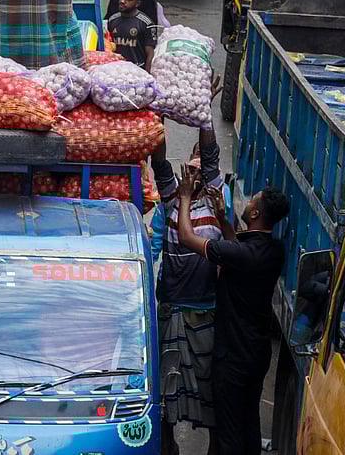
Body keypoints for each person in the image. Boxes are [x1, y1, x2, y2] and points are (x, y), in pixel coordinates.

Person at [175, 183, 289, 455]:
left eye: (252, 202)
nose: (248, 203)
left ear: (255, 213)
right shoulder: (275, 251)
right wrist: (224, 219)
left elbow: (186, 238)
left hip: (233, 357)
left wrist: (185, 198)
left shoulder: (241, 254)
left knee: (228, 431)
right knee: (250, 421)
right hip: (257, 354)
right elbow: (237, 249)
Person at [150, 110, 230, 455]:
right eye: (192, 166)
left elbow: (212, 155)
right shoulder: (171, 200)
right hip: (172, 307)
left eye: (201, 168)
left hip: (206, 311)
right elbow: (159, 164)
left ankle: (213, 447)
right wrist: (155, 118)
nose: (196, 171)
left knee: (208, 383)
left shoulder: (214, 198)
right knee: (167, 384)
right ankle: (168, 446)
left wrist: (203, 113)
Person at [107, 0, 157, 71]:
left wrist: (147, 75)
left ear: (137, 3)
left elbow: (150, 54)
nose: (122, 1)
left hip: (137, 72)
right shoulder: (112, 20)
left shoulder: (146, 23)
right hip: (116, 72)